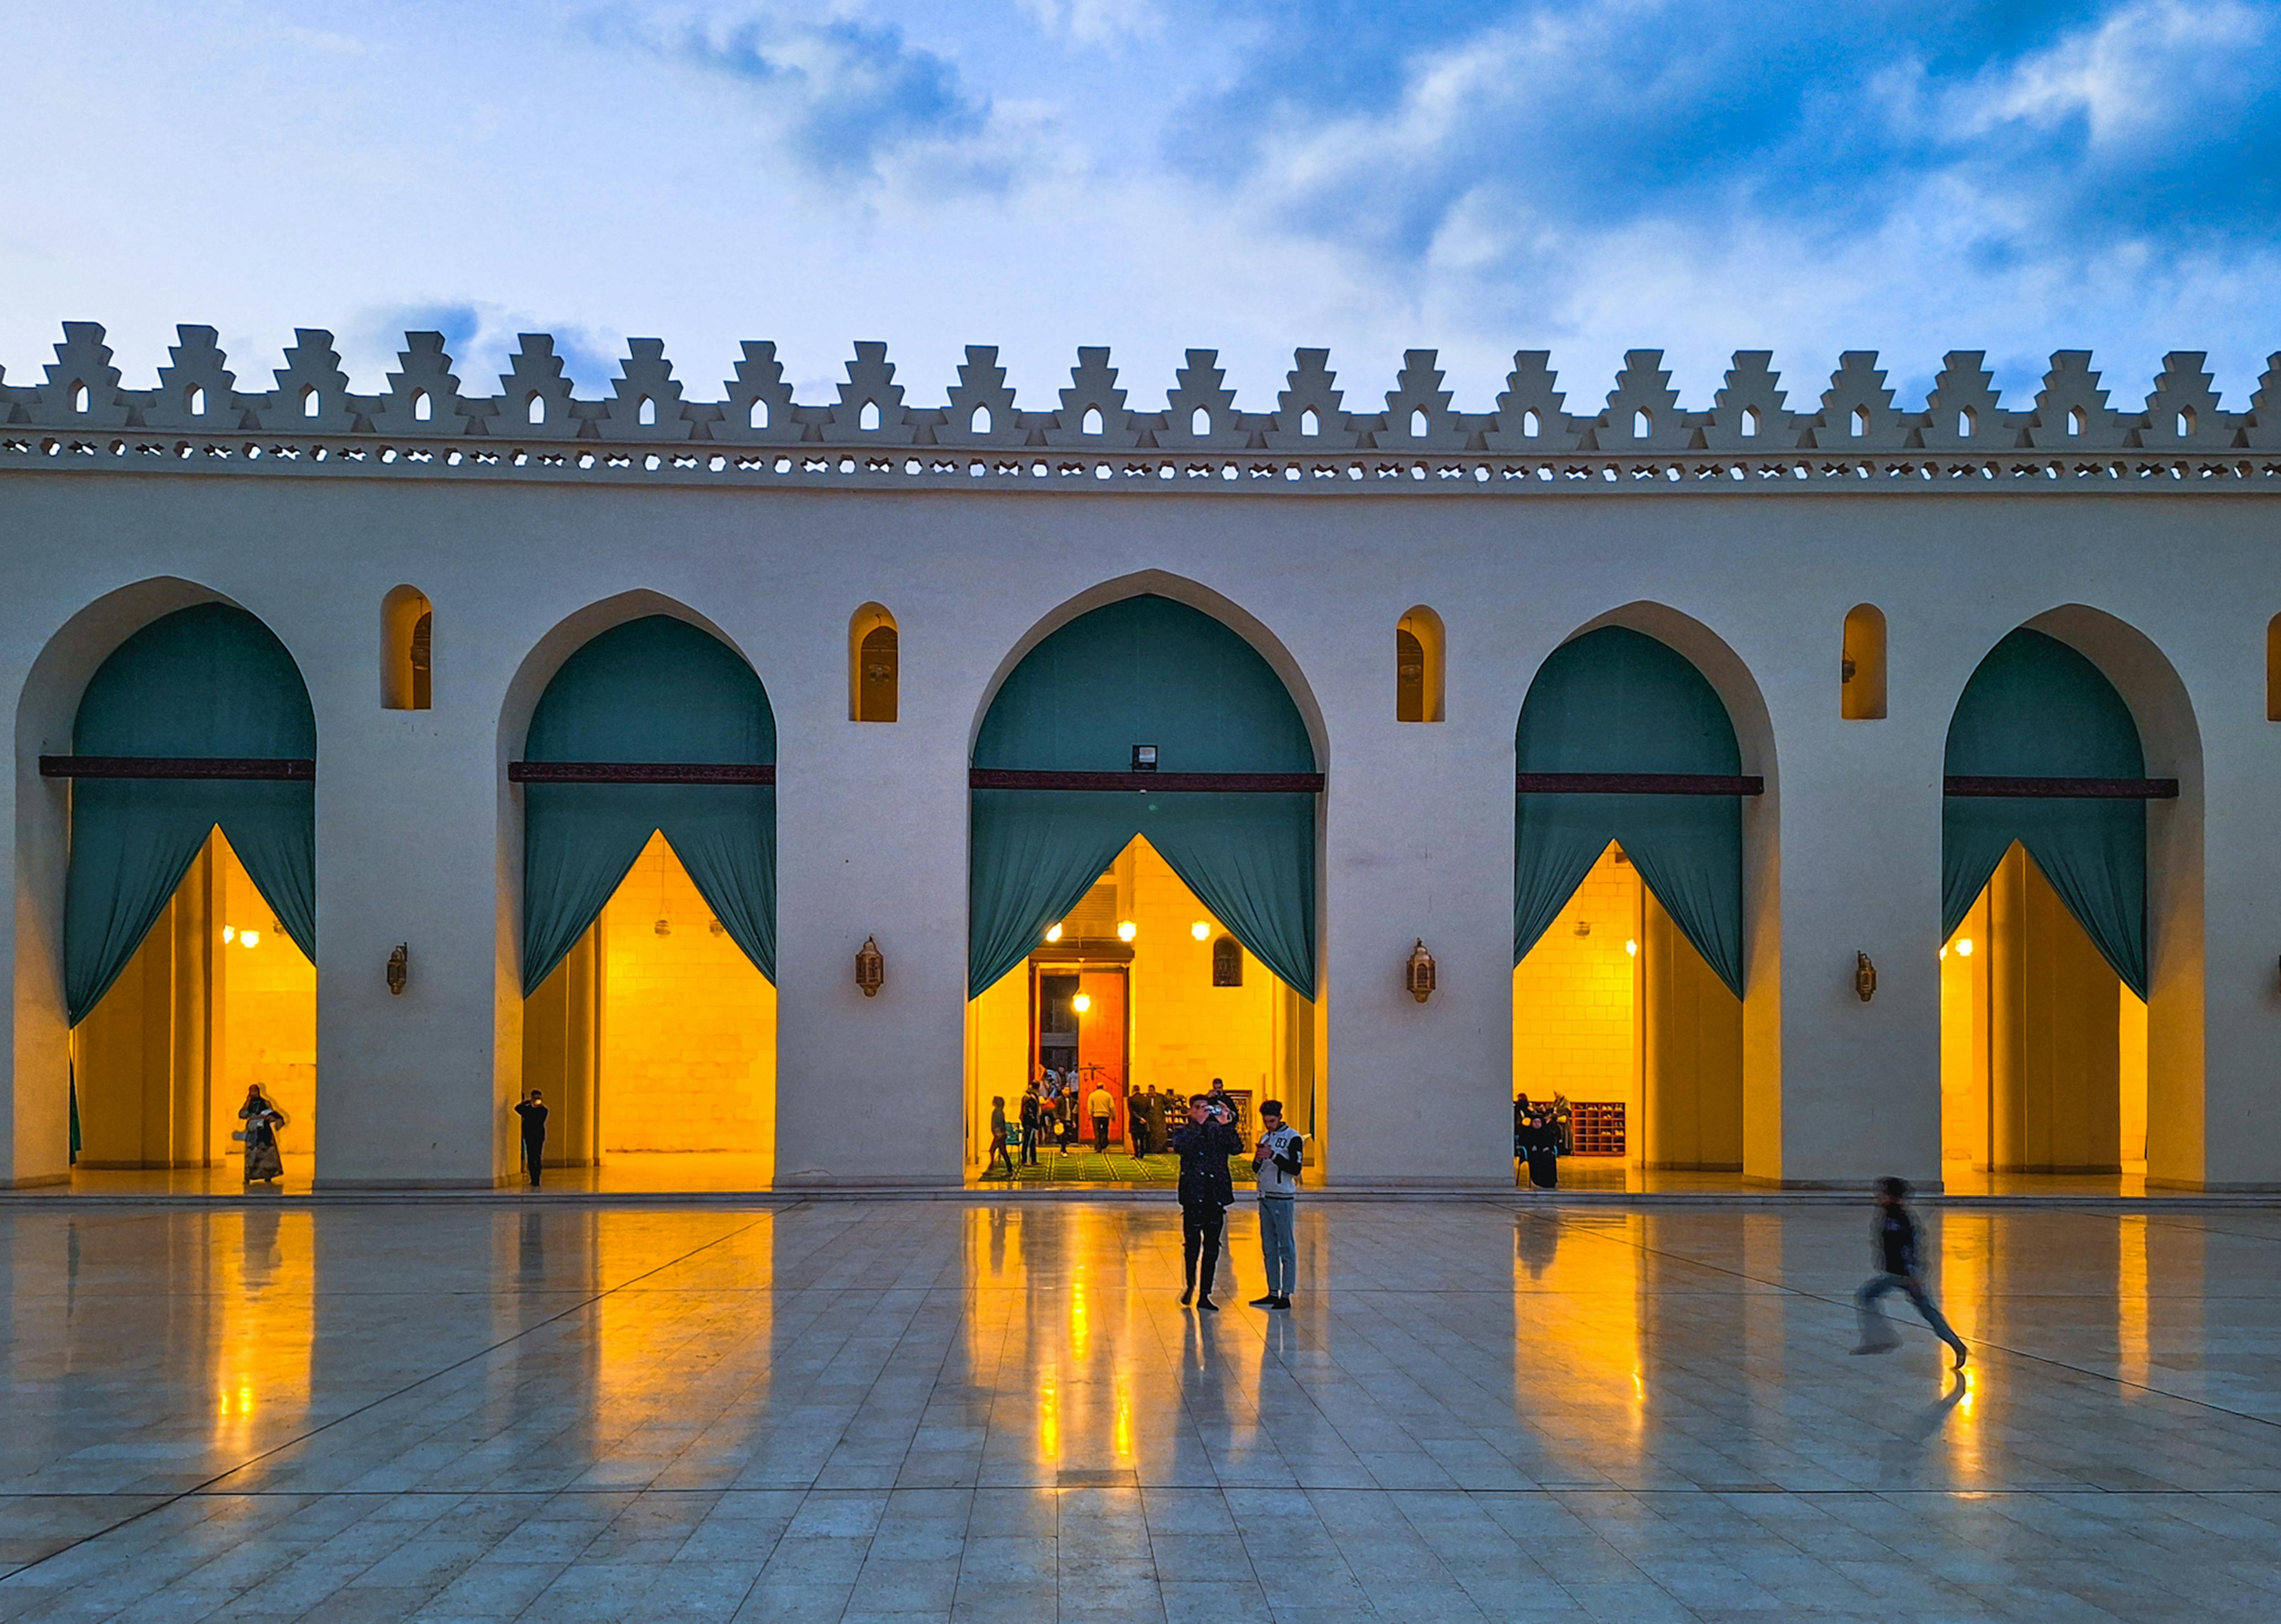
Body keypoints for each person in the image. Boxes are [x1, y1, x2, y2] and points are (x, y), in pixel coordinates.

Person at [1853, 1176, 1969, 1369]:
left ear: (1892, 1196)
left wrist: (1913, 1274)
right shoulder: (1890, 1215)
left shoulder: (1898, 1219)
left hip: (1902, 1275)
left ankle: (1882, 1339)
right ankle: (1957, 1345)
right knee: (1928, 1312)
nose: (1877, 1197)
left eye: (1882, 1193)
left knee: (1866, 1296)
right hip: (1901, 1273)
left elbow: (1908, 1247)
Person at [1169, 1092, 1242, 1309]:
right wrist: (1198, 1125)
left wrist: (1226, 1125)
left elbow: (1236, 1148)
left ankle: (1205, 1293)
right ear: (1191, 1111)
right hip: (1193, 1196)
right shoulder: (1183, 1131)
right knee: (1192, 1245)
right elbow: (1181, 1147)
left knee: (1212, 1246)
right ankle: (1190, 1285)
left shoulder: (1218, 1130)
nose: (1203, 1111)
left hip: (1214, 1196)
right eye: (1198, 1107)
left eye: (1206, 1107)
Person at [1249, 1099, 1303, 1310]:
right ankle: (1272, 1290)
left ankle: (1286, 1293)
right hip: (1265, 1196)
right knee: (1269, 1247)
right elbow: (1256, 1168)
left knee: (1286, 1246)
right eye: (1266, 1122)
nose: (1269, 1125)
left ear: (1280, 1117)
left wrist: (1274, 1156)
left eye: (1272, 1121)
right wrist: (1260, 1158)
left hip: (1282, 1196)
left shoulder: (1293, 1138)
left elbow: (1295, 1168)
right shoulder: (1265, 1137)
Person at [238, 1085, 285, 1185]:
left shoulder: (266, 1103)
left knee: (267, 1154)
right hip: (253, 1131)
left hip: (264, 1131)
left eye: (254, 1091)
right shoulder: (249, 1103)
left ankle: (268, 1174)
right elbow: (242, 1114)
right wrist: (247, 1103)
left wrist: (269, 1118)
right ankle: (249, 1175)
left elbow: (272, 1115)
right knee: (251, 1155)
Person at [514, 1089, 549, 1188]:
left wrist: (534, 1107)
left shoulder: (543, 1110)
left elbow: (539, 1119)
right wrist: (527, 1103)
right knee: (531, 1157)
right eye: (535, 1098)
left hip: (538, 1137)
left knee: (537, 1157)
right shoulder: (528, 1109)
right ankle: (533, 1178)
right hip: (529, 1136)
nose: (537, 1100)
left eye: (538, 1098)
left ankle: (537, 1179)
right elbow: (517, 1108)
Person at [986, 1095, 1015, 1177]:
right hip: (1001, 1134)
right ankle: (994, 1167)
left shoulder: (997, 1112)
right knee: (1001, 1152)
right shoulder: (999, 1111)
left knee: (994, 1150)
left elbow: (998, 1123)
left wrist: (998, 1132)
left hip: (1000, 1135)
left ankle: (993, 1168)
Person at [1089, 1081, 1114, 1155]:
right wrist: (1113, 1115)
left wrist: (1091, 1114)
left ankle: (1098, 1147)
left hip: (1096, 1116)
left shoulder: (1092, 1095)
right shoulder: (1108, 1095)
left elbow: (1090, 1106)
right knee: (1105, 1130)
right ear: (1103, 1087)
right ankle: (1104, 1143)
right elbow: (1112, 1106)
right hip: (1105, 1116)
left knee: (1097, 1132)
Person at [1018, 1087, 1041, 1166]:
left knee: (1032, 1142)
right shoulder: (1029, 1099)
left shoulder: (1030, 1098)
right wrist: (1034, 1122)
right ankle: (1024, 1160)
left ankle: (1033, 1159)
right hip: (1029, 1123)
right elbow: (1029, 1112)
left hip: (1030, 1122)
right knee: (1027, 1141)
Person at [1127, 1088, 1152, 1158]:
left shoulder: (1131, 1099)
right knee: (1142, 1139)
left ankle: (1136, 1153)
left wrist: (1139, 1118)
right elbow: (1149, 1110)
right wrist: (1144, 1119)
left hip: (1135, 1122)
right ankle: (1142, 1154)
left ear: (1133, 1091)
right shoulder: (1146, 1099)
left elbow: (1132, 1112)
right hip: (1144, 1122)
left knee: (1135, 1139)